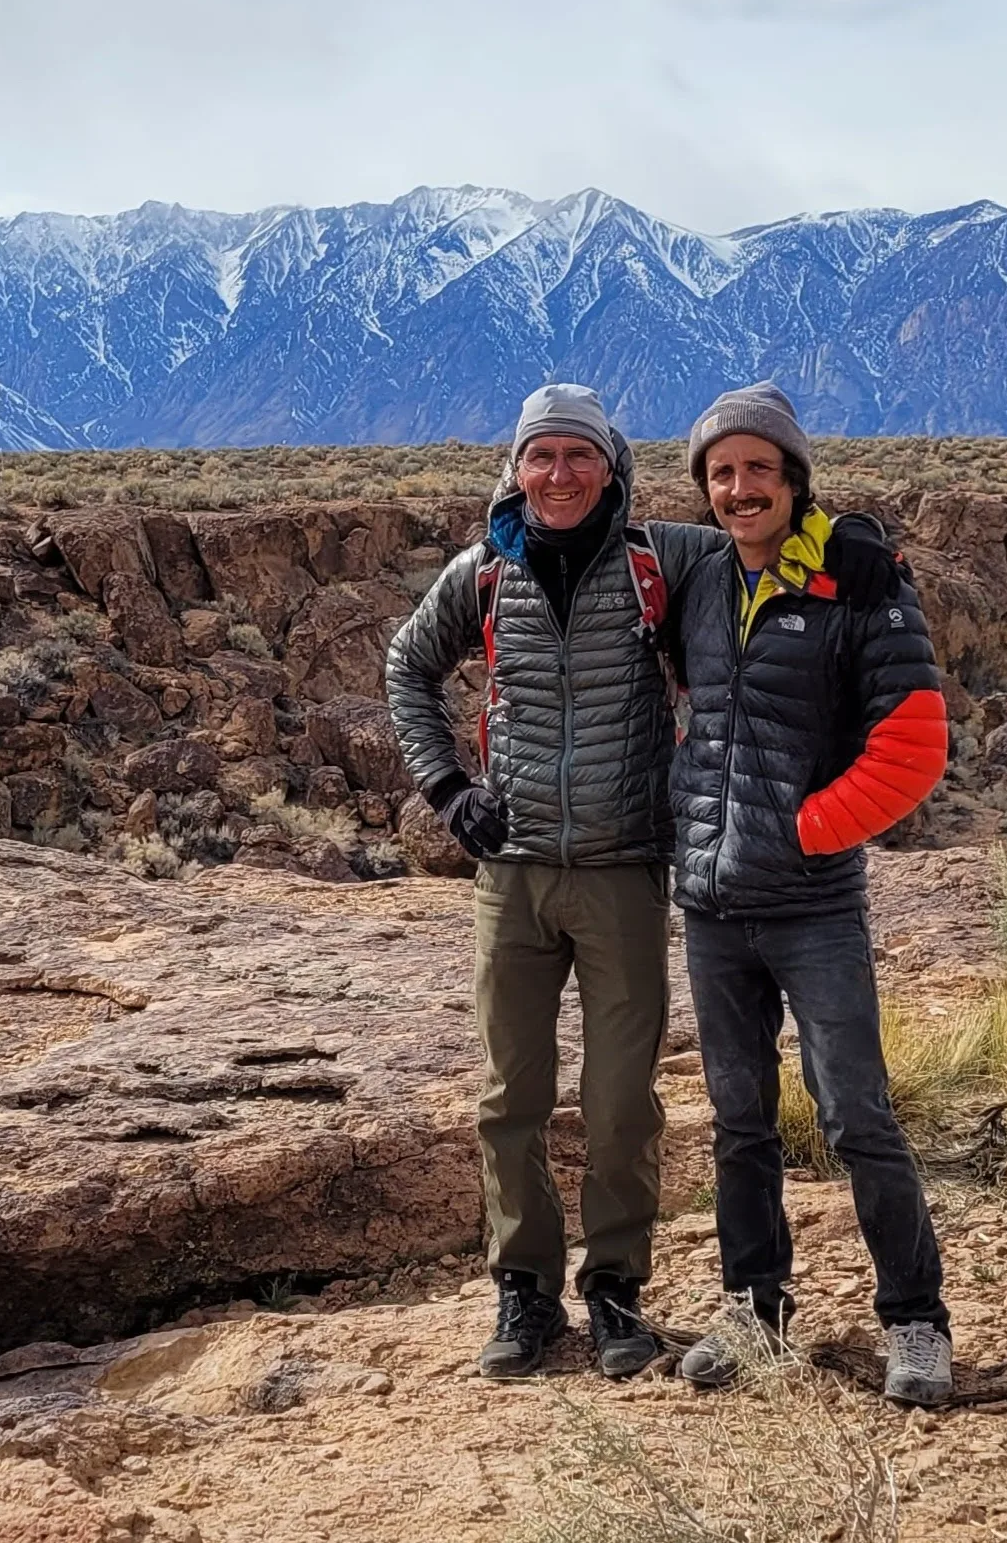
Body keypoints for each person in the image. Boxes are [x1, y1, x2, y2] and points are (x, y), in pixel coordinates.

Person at [649, 381, 957, 1405]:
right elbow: (590, 537)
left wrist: (807, 829)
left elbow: (914, 742)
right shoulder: (695, 580)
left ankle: (913, 1319)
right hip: (710, 903)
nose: (741, 489)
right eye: (721, 472)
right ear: (704, 487)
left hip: (813, 903)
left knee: (855, 1112)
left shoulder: (856, 582)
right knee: (737, 1118)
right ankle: (752, 1308)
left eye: (760, 471)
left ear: (793, 480)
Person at [383, 382, 677, 1381]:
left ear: (610, 468)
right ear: (515, 467)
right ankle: (523, 1291)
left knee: (619, 1099)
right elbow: (404, 667)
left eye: (577, 456)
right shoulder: (482, 573)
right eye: (539, 456)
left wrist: (849, 546)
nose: (557, 475)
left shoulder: (655, 566)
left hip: (621, 872)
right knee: (509, 1093)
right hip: (511, 875)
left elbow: (763, 550)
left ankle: (617, 1290)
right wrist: (446, 788)